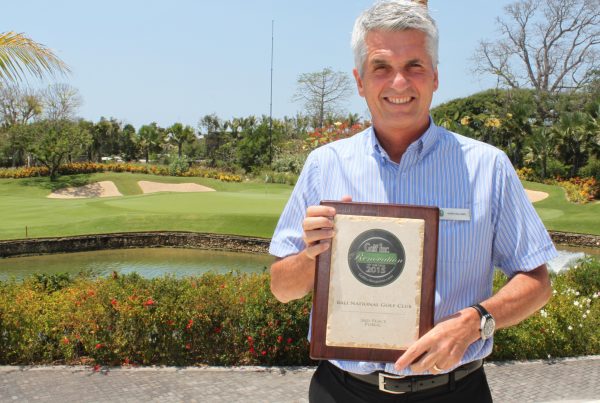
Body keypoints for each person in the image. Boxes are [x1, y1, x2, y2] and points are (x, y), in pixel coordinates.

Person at [269, 1, 557, 401]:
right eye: (382, 67)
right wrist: (311, 257)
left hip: (455, 390)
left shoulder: (487, 167)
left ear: (436, 77)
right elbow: (282, 287)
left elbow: (537, 283)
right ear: (359, 80)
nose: (399, 83)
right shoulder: (325, 165)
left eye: (415, 66)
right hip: (343, 391)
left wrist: (476, 322)